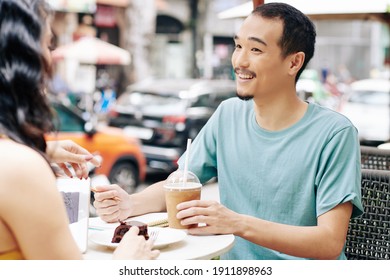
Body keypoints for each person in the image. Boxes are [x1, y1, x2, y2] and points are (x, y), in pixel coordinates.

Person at [93, 3, 363, 260]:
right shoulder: (228, 114)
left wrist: (237, 223)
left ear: (294, 63)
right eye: (238, 46)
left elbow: (329, 242)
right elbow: (179, 185)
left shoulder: (335, 134)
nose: (239, 61)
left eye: (255, 50)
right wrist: (130, 204)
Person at [0, 0, 159, 260]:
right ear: (22, 58)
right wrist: (124, 263)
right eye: (48, 44)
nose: (50, 57)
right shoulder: (21, 169)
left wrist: (44, 150)